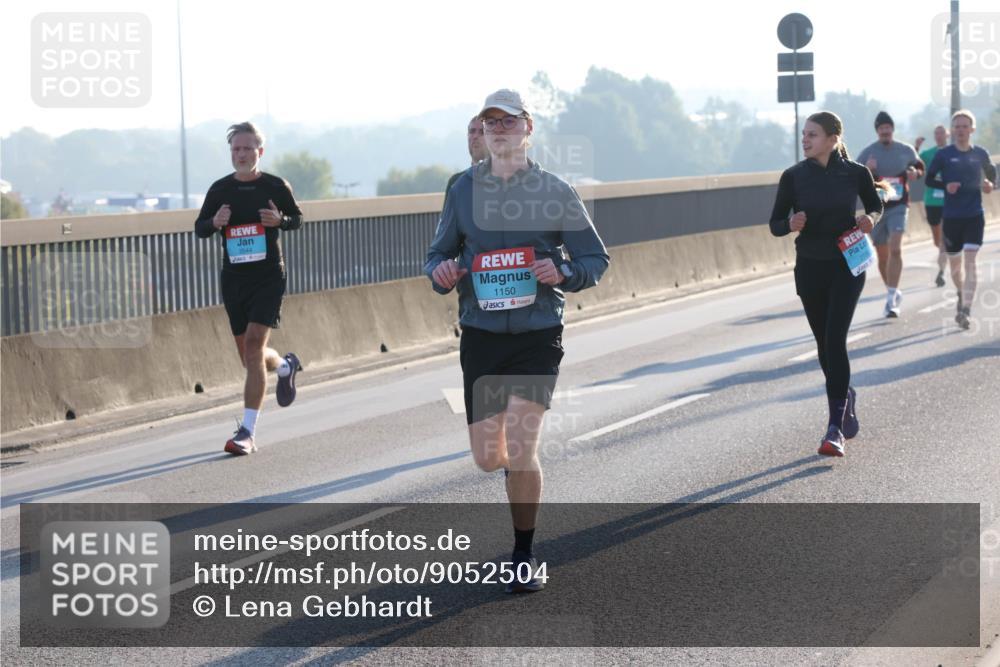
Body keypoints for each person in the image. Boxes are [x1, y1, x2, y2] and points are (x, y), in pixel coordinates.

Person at [425, 89, 609, 592]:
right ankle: (514, 479)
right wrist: (441, 272)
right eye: (491, 122)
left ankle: (524, 555)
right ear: (482, 132)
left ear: (528, 128)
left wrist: (563, 271)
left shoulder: (555, 189)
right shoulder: (461, 190)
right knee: (490, 458)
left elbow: (595, 260)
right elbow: (437, 254)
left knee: (524, 449)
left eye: (509, 121)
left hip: (537, 336)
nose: (499, 129)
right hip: (482, 336)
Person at [769, 111, 883, 457]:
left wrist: (869, 219)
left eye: (813, 134)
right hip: (810, 267)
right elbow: (774, 223)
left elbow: (876, 205)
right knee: (823, 343)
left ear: (833, 139)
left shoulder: (856, 173)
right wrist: (790, 223)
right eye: (804, 134)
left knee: (835, 339)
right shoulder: (793, 177)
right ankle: (844, 396)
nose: (805, 140)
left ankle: (834, 429)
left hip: (847, 266)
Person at [194, 122, 304, 455]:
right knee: (248, 357)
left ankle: (247, 432)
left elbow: (297, 218)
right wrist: (215, 223)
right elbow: (200, 228)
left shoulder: (274, 185)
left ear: (260, 151)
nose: (241, 155)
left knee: (255, 345)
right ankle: (285, 367)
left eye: (247, 149)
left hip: (268, 276)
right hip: (234, 279)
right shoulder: (220, 190)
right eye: (235, 149)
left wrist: (280, 221)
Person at [924, 109, 997, 329]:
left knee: (971, 261)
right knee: (956, 266)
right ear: (952, 130)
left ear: (972, 129)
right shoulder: (944, 154)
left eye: (965, 126)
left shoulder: (980, 153)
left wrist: (990, 185)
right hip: (952, 217)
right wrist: (945, 185)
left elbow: (991, 175)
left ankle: (965, 309)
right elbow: (929, 179)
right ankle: (959, 291)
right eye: (957, 126)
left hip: (974, 215)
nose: (961, 130)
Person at [856, 111, 924, 317]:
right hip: (877, 209)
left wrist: (915, 173)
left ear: (892, 129)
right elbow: (856, 177)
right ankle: (892, 291)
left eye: (888, 128)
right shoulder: (868, 152)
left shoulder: (905, 150)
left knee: (895, 248)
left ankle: (891, 298)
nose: (885, 131)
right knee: (882, 255)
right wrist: (867, 170)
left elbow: (919, 166)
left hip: (899, 205)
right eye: (881, 128)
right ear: (877, 131)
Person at [915, 125, 950, 287]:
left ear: (947, 135)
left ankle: (941, 272)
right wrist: (916, 147)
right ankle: (946, 253)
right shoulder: (929, 154)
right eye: (936, 133)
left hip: (950, 201)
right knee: (938, 240)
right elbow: (915, 163)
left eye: (941, 132)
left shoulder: (954, 151)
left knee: (944, 240)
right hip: (931, 201)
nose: (938, 135)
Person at [445, 115, 490, 197]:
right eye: (472, 131)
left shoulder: (503, 182)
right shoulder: (455, 183)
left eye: (482, 132)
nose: (475, 136)